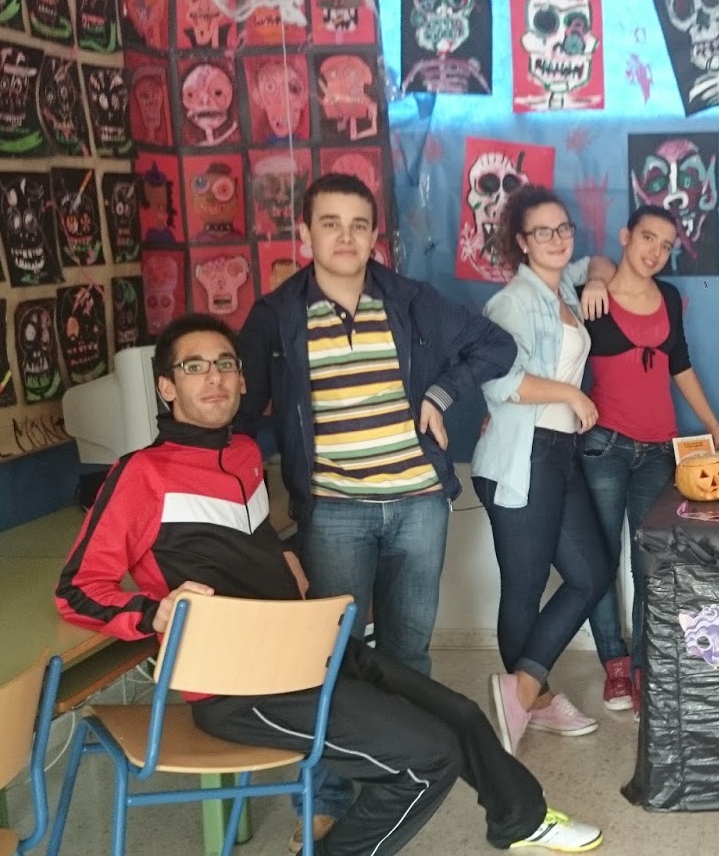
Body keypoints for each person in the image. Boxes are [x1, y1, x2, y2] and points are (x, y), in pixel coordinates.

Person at [55, 314, 603, 856]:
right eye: (194, 367)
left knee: (459, 713)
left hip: (305, 649)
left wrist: (286, 556)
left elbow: (245, 540)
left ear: (242, 380)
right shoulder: (141, 474)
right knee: (427, 760)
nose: (214, 377)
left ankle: (523, 821)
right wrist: (152, 611)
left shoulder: (242, 454)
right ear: (167, 387)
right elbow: (77, 589)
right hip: (238, 687)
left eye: (225, 364)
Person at [234, 172, 517, 840]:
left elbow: (496, 347)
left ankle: (404, 777)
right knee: (330, 659)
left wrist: (441, 394)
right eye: (330, 223)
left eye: (359, 225)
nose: (346, 237)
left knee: (407, 653)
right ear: (304, 232)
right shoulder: (275, 316)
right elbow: (245, 416)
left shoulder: (410, 301)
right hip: (334, 512)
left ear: (374, 236)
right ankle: (327, 798)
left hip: (419, 505)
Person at [473, 185, 615, 755]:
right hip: (522, 455)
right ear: (522, 242)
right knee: (525, 586)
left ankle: (525, 690)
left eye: (564, 228)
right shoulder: (513, 303)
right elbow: (499, 382)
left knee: (591, 573)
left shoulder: (565, 287)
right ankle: (534, 697)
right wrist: (572, 395)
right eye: (543, 232)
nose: (557, 239)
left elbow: (600, 262)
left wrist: (597, 280)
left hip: (559, 455)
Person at [575, 204, 719, 712]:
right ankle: (615, 665)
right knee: (600, 562)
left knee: (651, 562)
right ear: (626, 236)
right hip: (604, 446)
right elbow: (550, 351)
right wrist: (595, 275)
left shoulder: (668, 297)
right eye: (648, 238)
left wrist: (713, 425)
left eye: (666, 246)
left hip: (659, 452)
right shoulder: (592, 297)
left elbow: (679, 364)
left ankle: (645, 664)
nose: (656, 252)